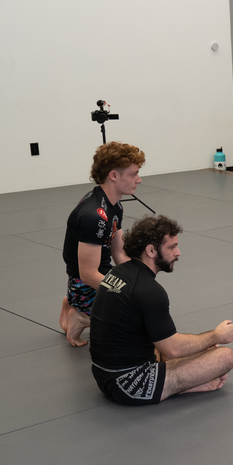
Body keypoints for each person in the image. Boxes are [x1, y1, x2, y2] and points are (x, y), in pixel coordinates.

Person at [89, 215, 233, 405]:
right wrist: (216, 335)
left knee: (196, 348)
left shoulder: (117, 272)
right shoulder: (149, 290)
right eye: (171, 247)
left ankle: (182, 382)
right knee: (225, 357)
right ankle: (184, 387)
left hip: (102, 375)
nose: (178, 252)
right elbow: (172, 349)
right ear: (151, 250)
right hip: (130, 385)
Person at [59, 141, 146, 347]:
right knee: (137, 325)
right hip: (85, 284)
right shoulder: (93, 215)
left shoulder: (115, 206)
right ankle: (80, 313)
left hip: (102, 274)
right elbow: (88, 274)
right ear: (114, 175)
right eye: (134, 174)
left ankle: (72, 302)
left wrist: (139, 280)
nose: (139, 180)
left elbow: (120, 254)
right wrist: (125, 291)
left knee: (143, 302)